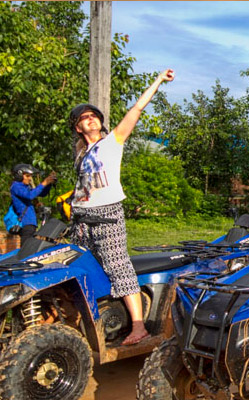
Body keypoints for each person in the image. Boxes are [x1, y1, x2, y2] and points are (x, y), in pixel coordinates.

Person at [69, 69, 175, 346]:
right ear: (78, 128)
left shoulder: (112, 142)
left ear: (100, 122)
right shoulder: (81, 153)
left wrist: (158, 81)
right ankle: (90, 320)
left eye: (92, 116)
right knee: (79, 266)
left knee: (118, 266)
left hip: (108, 215)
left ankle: (138, 326)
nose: (90, 119)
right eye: (84, 118)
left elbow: (137, 108)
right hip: (81, 218)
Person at [9, 164, 56, 242]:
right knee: (26, 251)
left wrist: (49, 184)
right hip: (25, 224)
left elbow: (41, 193)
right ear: (19, 176)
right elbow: (30, 196)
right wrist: (44, 183)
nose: (30, 179)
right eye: (27, 176)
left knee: (30, 250)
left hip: (30, 224)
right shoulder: (16, 186)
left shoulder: (25, 187)